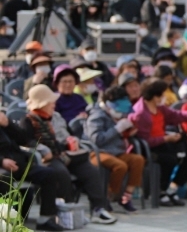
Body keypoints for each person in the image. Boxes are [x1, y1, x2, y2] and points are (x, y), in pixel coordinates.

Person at [20, 85, 117, 224]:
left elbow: (66, 137)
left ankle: (98, 208)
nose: (54, 104)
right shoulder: (28, 120)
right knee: (61, 173)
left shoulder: (51, 118)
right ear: (43, 104)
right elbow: (26, 142)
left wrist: (71, 141)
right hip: (45, 160)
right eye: (50, 101)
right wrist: (43, 150)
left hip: (61, 155)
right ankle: (68, 211)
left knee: (90, 170)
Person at [129, 79, 187, 206]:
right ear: (153, 96)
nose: (163, 97)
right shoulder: (141, 112)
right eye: (161, 95)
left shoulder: (161, 109)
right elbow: (145, 140)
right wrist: (165, 139)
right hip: (148, 147)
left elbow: (177, 116)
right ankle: (160, 191)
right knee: (170, 159)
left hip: (162, 141)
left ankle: (172, 187)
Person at [0, 108, 72, 231]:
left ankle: (46, 218)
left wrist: (8, 125)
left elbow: (23, 139)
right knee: (5, 179)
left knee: (48, 174)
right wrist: (2, 161)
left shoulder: (3, 119)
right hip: (3, 167)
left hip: (18, 163)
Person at [85, 87, 144, 213]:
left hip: (117, 152)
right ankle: (108, 197)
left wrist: (129, 132)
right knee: (120, 166)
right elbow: (96, 139)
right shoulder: (97, 115)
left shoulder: (117, 115)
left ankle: (126, 197)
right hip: (97, 153)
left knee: (137, 160)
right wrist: (116, 129)